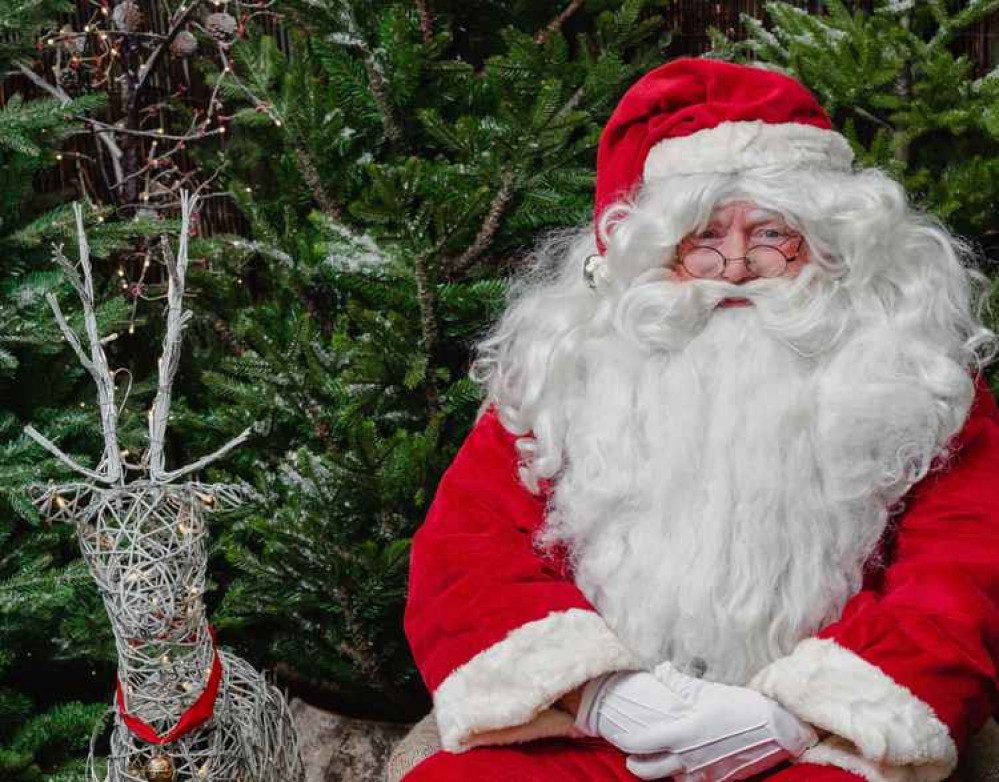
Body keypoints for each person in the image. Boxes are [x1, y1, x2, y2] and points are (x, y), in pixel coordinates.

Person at [402, 57, 999, 781]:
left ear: (830, 245)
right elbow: (469, 555)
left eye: (772, 233)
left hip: (821, 737)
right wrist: (600, 694)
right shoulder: (566, 371)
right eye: (703, 237)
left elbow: (963, 574)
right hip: (603, 734)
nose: (737, 264)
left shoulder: (914, 379)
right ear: (650, 252)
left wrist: (793, 714)